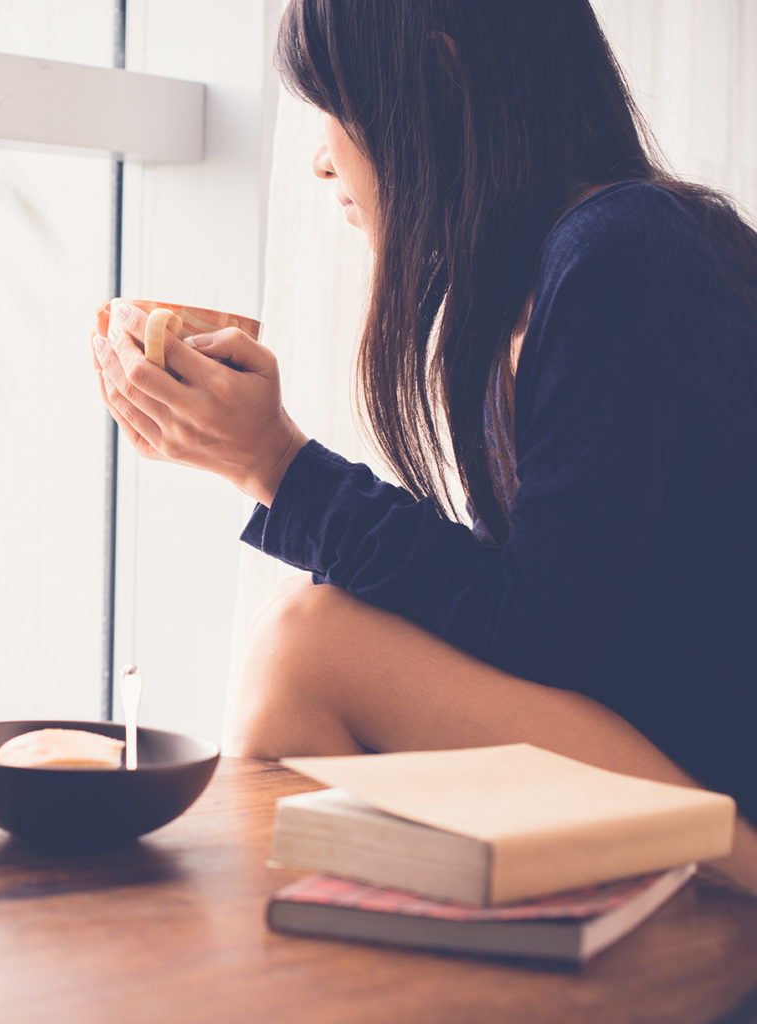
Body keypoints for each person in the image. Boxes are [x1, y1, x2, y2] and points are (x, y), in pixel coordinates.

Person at [91, 0, 757, 888]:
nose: (324, 158)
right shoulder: (543, 282)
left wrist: (278, 468)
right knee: (305, 645)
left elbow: (545, 635)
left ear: (442, 86)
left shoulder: (623, 254)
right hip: (671, 756)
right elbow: (550, 612)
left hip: (723, 791)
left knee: (308, 647)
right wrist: (270, 468)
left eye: (337, 107)